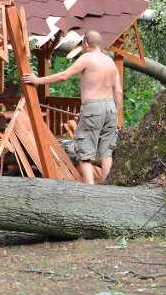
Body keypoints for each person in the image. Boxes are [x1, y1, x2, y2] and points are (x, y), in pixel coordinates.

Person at [22, 30, 123, 184]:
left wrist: (37, 80)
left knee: (84, 152)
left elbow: (64, 76)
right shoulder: (110, 62)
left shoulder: (87, 58)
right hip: (110, 108)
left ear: (86, 44)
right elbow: (119, 91)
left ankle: (88, 190)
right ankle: (107, 189)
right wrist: (117, 113)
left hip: (93, 108)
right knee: (106, 153)